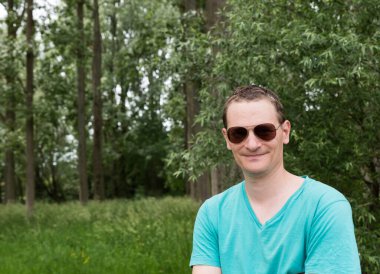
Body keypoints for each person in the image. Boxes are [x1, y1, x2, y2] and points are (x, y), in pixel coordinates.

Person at [190, 85, 361, 274]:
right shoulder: (212, 213)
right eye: (239, 134)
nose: (252, 144)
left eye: (264, 131)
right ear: (227, 139)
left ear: (285, 132)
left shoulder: (325, 207)